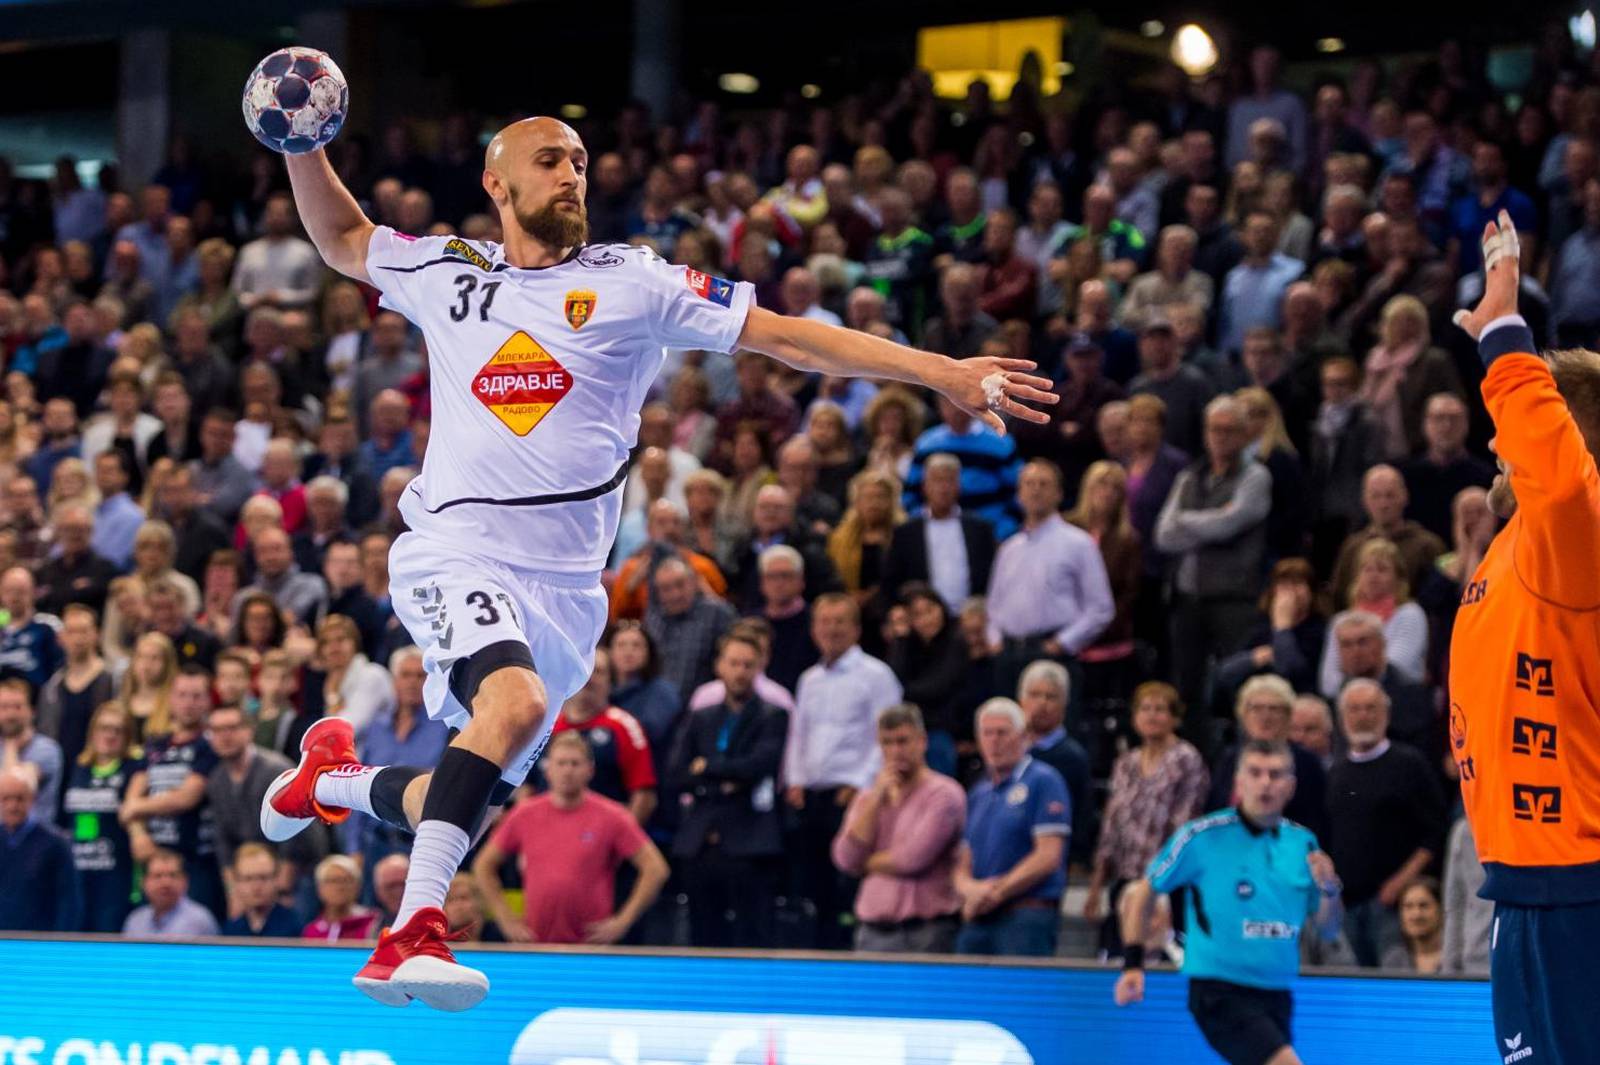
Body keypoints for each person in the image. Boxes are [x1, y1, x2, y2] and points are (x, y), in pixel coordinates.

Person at [258, 113, 1055, 1010]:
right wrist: (303, 147)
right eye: (549, 160)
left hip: (565, 590)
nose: (572, 175)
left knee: (460, 794)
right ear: (497, 183)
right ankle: (411, 934)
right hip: (455, 547)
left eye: (581, 163)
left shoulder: (633, 281)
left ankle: (329, 778)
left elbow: (789, 336)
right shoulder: (447, 270)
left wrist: (940, 370)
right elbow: (344, 238)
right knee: (509, 704)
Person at [1445, 210, 1600, 1058]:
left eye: (1514, 428)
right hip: (1527, 879)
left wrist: (1505, 333)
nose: (1496, 440)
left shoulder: (1576, 534)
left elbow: (1556, 469)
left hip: (1577, 887)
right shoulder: (1515, 542)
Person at [1114, 740, 1345, 1065]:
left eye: (1276, 775)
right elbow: (1145, 891)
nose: (1265, 782)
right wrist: (1133, 963)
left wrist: (1330, 891)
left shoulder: (1303, 842)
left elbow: (1328, 929)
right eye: (1255, 773)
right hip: (1219, 990)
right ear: (1239, 782)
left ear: (1290, 787)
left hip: (1276, 990)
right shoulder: (1202, 836)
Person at [785, 592, 903, 949]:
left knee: (846, 886)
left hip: (853, 796)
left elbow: (886, 736)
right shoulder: (810, 679)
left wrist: (860, 784)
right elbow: (799, 732)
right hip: (812, 796)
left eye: (839, 621)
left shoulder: (876, 675)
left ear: (855, 628)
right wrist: (795, 779)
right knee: (814, 886)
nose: (831, 629)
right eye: (824, 621)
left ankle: (850, 955)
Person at [474, 732, 669, 945]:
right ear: (548, 770)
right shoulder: (524, 814)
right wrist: (507, 921)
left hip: (592, 944)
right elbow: (483, 866)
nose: (567, 770)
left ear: (589, 770)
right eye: (561, 763)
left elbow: (656, 869)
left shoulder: (612, 816)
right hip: (535, 943)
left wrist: (622, 922)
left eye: (575, 764)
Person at [666, 630, 788, 947]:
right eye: (734, 663)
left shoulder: (773, 715)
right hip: (700, 841)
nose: (740, 672)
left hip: (750, 840)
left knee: (753, 935)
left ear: (760, 667)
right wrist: (727, 780)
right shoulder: (701, 716)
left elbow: (759, 766)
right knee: (702, 934)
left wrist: (707, 767)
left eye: (748, 665)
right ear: (720, 666)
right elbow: (678, 771)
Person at [1325, 678, 1446, 968]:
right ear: (1342, 718)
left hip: (1394, 904)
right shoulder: (1335, 771)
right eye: (1354, 709)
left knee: (1396, 982)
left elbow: (1435, 831)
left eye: (1370, 708)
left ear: (1386, 714)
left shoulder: (1409, 764)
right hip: (1345, 905)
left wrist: (1402, 882)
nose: (1362, 716)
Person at [1083, 682, 1208, 955]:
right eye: (1145, 709)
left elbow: (1185, 827)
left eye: (1160, 709)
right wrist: (1096, 886)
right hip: (1124, 879)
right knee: (1116, 957)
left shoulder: (1186, 759)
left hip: (1168, 883)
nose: (1152, 716)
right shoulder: (1125, 763)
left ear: (1175, 717)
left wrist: (1159, 877)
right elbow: (1110, 828)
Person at [831, 704, 965, 953]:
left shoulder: (944, 794)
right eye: (887, 743)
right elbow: (844, 858)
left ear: (922, 742)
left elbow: (912, 858)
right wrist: (875, 800)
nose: (895, 751)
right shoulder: (867, 798)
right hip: (872, 930)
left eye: (903, 742)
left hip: (926, 931)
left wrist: (865, 863)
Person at [985, 459, 1115, 700]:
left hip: (1051, 652)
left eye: (1043, 484)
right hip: (1008, 654)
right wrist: (994, 641)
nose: (1035, 490)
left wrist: (1062, 643)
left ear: (1059, 493)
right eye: (1029, 483)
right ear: (1019, 493)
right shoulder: (1009, 548)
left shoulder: (1078, 543)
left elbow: (1101, 608)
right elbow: (994, 605)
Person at [953, 698, 1069, 957]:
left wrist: (998, 892)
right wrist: (971, 889)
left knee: (1022, 995)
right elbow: (962, 863)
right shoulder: (978, 792)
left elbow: (1048, 856)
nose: (994, 741)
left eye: (1003, 732)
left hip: (1026, 914)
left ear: (1024, 736)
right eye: (987, 733)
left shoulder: (1044, 780)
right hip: (980, 915)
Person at [121, 666, 223, 919]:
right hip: (153, 860)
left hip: (194, 861)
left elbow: (186, 797)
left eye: (197, 696)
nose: (189, 703)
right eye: (183, 695)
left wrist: (137, 808)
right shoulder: (156, 744)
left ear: (208, 701)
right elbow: (130, 800)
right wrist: (137, 835)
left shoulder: (209, 744)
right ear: (171, 699)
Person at [58, 703, 141, 931]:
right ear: (93, 732)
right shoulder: (78, 768)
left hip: (116, 876)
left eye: (118, 730)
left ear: (127, 736)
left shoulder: (133, 769)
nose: (110, 735)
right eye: (105, 728)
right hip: (78, 873)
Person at [878, 453, 996, 613]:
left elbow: (993, 578)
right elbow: (890, 583)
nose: (943, 488)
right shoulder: (905, 533)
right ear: (925, 486)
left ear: (958, 486)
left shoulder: (980, 529)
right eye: (937, 480)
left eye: (949, 480)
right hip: (921, 622)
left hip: (972, 619)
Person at [549, 649, 657, 823]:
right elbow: (527, 786)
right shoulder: (549, 725)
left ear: (610, 681)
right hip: (550, 833)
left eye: (598, 671)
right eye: (584, 669)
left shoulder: (623, 726)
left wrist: (618, 842)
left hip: (602, 836)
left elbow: (643, 796)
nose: (589, 678)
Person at [0, 765, 81, 931]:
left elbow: (69, 901)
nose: (12, 806)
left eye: (19, 798)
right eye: (5, 799)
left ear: (33, 799)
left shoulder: (56, 844)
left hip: (39, 943)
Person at [0, 678, 63, 822]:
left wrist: (10, 746)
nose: (11, 714)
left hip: (37, 838)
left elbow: (13, 787)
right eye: (4, 707)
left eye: (17, 707)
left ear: (31, 711)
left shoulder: (46, 749)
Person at [122, 848, 220, 937]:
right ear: (144, 882)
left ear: (185, 881)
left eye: (173, 875)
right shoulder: (135, 921)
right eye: (158, 876)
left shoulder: (200, 920)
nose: (166, 883)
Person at [1441, 816, 1492, 976]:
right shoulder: (1465, 832)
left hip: (1526, 962)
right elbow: (1455, 905)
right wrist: (1449, 968)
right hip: (1476, 962)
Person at [221, 843, 302, 937]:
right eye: (248, 879)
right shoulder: (230, 931)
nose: (256, 887)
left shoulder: (296, 927)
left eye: (263, 877)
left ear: (276, 878)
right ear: (237, 882)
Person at [303, 854, 378, 941]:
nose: (340, 887)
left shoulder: (373, 923)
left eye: (346, 880)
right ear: (320, 888)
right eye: (333, 881)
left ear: (358, 886)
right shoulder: (312, 931)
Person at [1381, 876, 1446, 973]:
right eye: (1408, 906)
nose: (1416, 915)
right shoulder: (1394, 960)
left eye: (1424, 906)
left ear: (1441, 911)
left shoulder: (1457, 958)